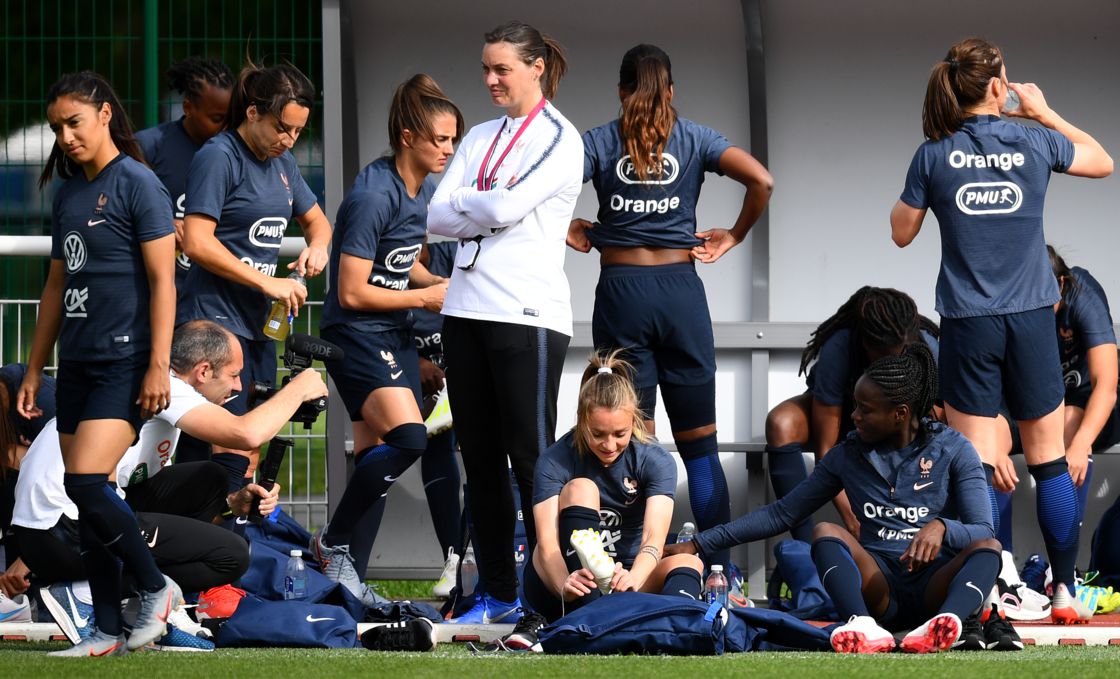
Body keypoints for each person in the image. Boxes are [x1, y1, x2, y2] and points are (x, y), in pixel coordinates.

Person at [889, 37, 1113, 624]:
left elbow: (901, 232)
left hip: (969, 325)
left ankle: (989, 591)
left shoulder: (933, 154)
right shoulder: (1036, 139)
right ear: (997, 86)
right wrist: (1043, 111)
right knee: (1048, 460)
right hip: (1034, 320)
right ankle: (1064, 590)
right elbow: (1102, 160)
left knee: (980, 463)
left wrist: (933, 191)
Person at [567, 44, 772, 574]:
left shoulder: (598, 141)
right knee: (701, 446)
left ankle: (636, 572)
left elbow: (545, 187)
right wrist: (734, 235)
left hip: (622, 291)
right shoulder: (697, 137)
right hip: (682, 293)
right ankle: (723, 576)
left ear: (620, 90)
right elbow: (762, 181)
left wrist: (569, 228)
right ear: (672, 92)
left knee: (632, 445)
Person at [670, 345, 1009, 653]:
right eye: (855, 406)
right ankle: (862, 625)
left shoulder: (954, 449)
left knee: (990, 549)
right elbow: (782, 514)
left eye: (866, 409)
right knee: (825, 532)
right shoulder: (846, 455)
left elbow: (983, 530)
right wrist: (699, 544)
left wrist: (942, 528)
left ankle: (943, 625)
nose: (855, 416)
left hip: (935, 586)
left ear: (901, 414)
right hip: (881, 588)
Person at [11, 319, 328, 646]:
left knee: (210, 479)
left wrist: (232, 506)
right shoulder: (167, 386)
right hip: (63, 531)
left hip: (54, 527)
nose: (238, 387)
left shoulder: (159, 386)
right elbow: (246, 433)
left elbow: (136, 492)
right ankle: (86, 594)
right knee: (231, 556)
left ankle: (135, 606)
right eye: (234, 375)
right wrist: (300, 387)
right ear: (203, 371)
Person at [427, 20, 583, 624]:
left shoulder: (558, 136)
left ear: (536, 67)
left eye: (503, 69)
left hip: (528, 315)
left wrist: (472, 205)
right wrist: (478, 207)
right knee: (481, 462)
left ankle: (549, 596)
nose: (490, 80)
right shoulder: (482, 133)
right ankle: (495, 595)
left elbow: (506, 205)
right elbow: (437, 216)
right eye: (486, 69)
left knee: (532, 461)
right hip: (464, 311)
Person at [18, 71, 179, 657]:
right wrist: (36, 369)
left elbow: (164, 282)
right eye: (58, 126)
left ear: (106, 115)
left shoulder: (138, 183)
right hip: (78, 365)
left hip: (126, 361)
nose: (65, 136)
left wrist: (158, 364)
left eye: (74, 122)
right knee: (90, 494)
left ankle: (156, 589)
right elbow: (57, 287)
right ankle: (105, 628)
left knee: (84, 481)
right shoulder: (68, 194)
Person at [311, 74, 460, 606]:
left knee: (376, 453)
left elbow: (400, 267)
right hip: (356, 333)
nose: (447, 149)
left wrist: (444, 286)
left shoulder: (421, 190)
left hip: (389, 333)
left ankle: (344, 582)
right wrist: (423, 300)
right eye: (438, 139)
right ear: (405, 136)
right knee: (410, 440)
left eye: (451, 140)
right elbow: (351, 291)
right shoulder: (374, 194)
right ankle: (331, 543)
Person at [178, 59, 331, 494]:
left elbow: (319, 223)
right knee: (214, 442)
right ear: (252, 113)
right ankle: (197, 542)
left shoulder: (284, 165)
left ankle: (238, 541)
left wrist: (315, 247)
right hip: (214, 321)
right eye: (283, 127)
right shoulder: (219, 156)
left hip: (259, 326)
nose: (290, 140)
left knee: (252, 438)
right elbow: (197, 241)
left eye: (299, 131)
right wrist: (268, 282)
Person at [521, 351, 703, 634]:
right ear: (581, 421)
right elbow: (546, 545)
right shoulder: (555, 459)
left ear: (634, 421)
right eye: (598, 434)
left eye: (620, 434)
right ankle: (596, 617)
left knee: (689, 562)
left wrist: (633, 577)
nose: (609, 445)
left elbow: (653, 538)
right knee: (581, 488)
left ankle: (679, 628)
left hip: (626, 577)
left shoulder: (655, 459)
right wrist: (563, 585)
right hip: (568, 581)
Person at [766, 286, 939, 542]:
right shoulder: (840, 346)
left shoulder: (927, 348)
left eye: (900, 354)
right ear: (865, 343)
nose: (891, 364)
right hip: (847, 414)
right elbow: (826, 450)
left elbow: (942, 431)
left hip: (898, 420)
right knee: (781, 422)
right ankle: (805, 550)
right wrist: (852, 517)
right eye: (882, 356)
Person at [136, 56, 235, 294]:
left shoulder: (235, 152)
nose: (225, 127)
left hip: (216, 293)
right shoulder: (148, 147)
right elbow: (118, 206)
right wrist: (162, 222)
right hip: (161, 288)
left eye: (231, 119)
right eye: (217, 119)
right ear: (188, 107)